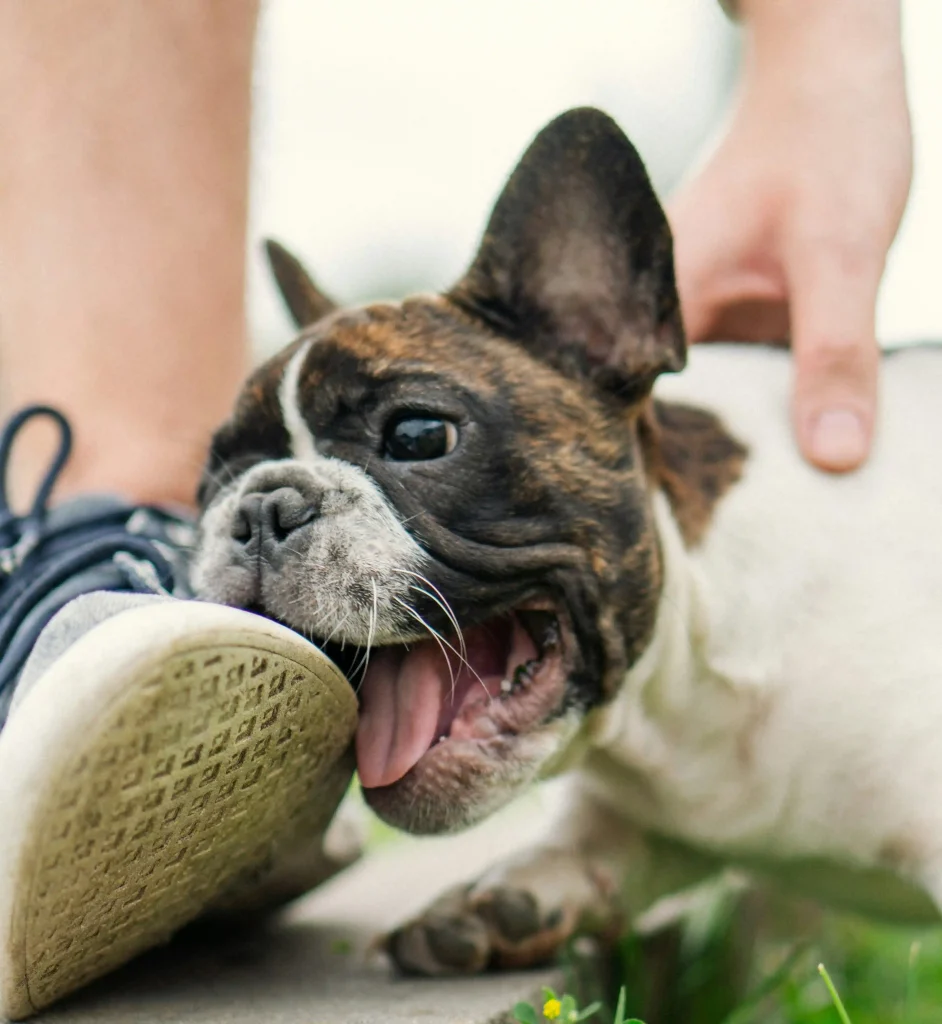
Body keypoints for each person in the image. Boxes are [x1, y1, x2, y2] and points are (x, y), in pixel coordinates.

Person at [0, 0, 912, 1013]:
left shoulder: (883, 628)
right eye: (229, 485)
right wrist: (601, 852)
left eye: (417, 439)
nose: (269, 522)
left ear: (600, 329)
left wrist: (822, 51)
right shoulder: (668, 692)